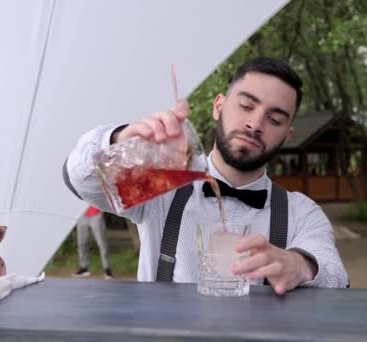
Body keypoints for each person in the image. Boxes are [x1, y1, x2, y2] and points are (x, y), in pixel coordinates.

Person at [64, 57, 348, 294]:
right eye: (246, 106)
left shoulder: (301, 212)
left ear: (286, 136)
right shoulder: (163, 186)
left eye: (274, 119)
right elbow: (82, 179)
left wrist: (300, 265)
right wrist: (122, 142)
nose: (254, 124)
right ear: (218, 106)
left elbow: (335, 273)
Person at [73, 205, 113, 279]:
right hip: (82, 215)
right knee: (81, 243)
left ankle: (107, 269)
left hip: (96, 215)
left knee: (102, 244)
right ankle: (84, 268)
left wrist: (102, 210)